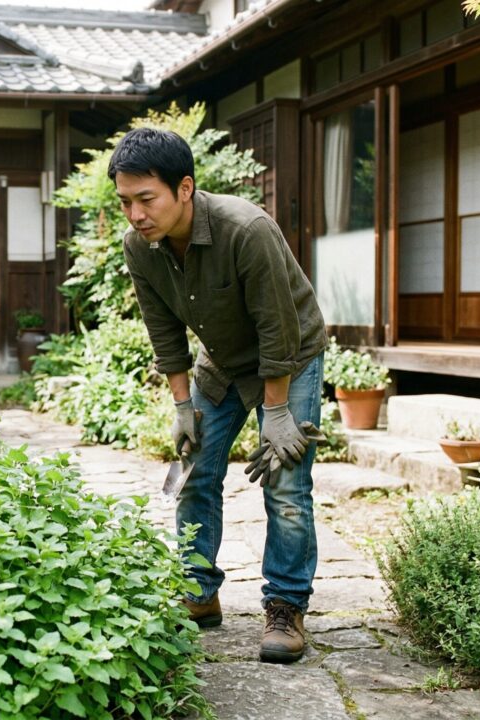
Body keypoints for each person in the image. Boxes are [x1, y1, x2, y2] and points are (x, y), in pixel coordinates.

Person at [111, 127, 327, 664]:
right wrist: (183, 406)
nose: (136, 214)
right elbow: (163, 328)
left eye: (146, 199)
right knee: (195, 470)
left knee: (285, 480)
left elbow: (278, 328)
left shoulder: (245, 228)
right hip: (222, 360)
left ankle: (285, 607)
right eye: (125, 202)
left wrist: (276, 412)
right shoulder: (140, 246)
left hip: (290, 355)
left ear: (184, 189)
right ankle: (198, 590)